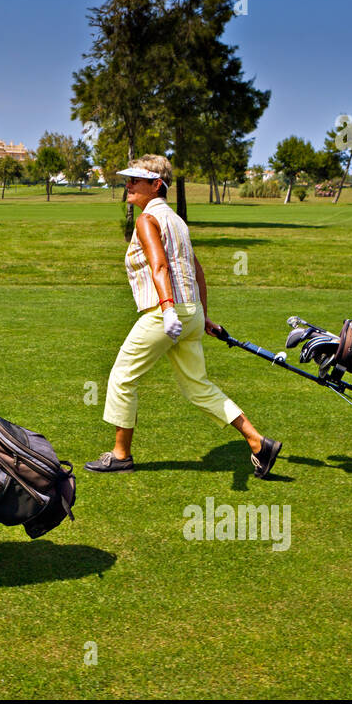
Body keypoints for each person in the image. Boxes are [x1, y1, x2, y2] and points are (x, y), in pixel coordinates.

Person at [86, 154, 282, 478]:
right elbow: (197, 270)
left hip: (165, 314)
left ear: (155, 185)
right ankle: (258, 441)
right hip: (188, 313)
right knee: (198, 387)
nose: (128, 184)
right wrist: (202, 316)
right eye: (128, 179)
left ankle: (120, 455)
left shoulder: (147, 220)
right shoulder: (177, 221)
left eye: (135, 180)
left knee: (122, 377)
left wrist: (166, 310)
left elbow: (160, 267)